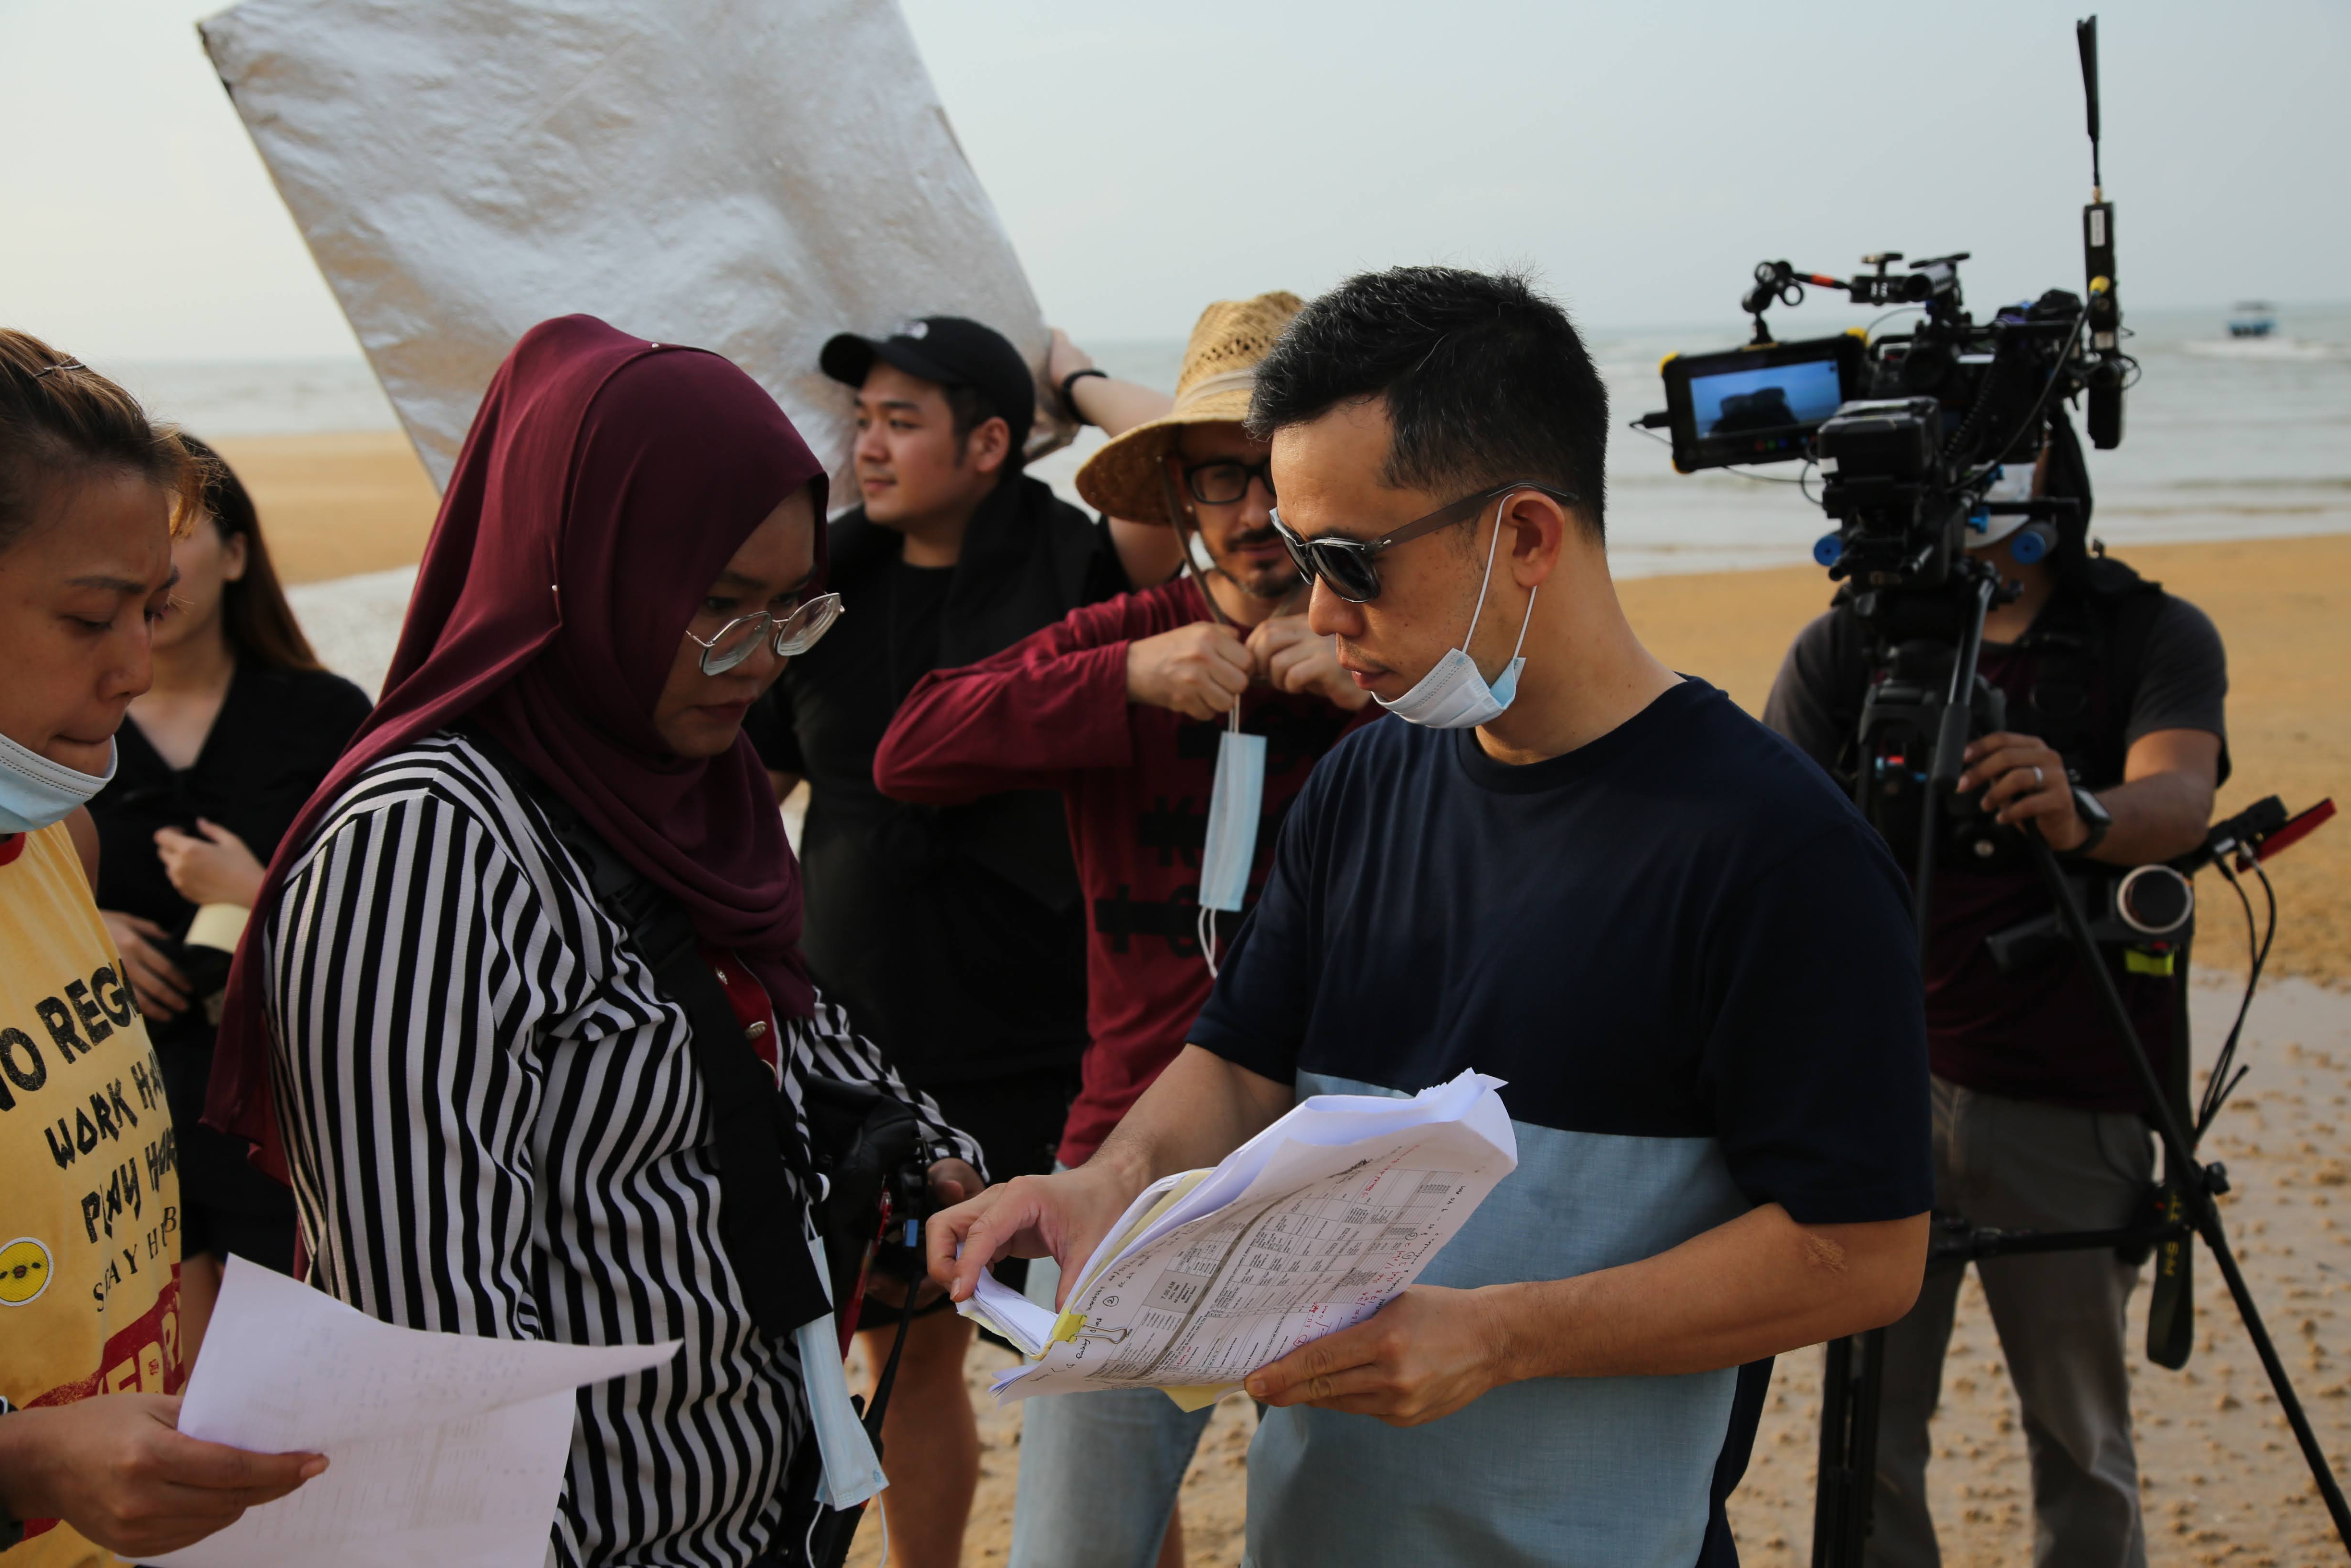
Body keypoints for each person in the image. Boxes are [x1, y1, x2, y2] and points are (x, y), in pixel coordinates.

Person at [931, 267, 1939, 1568]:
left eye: (1353, 562)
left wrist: (1502, 1336)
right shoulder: (1363, 783)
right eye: (1302, 559)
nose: (1320, 612)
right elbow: (1239, 1063)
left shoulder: (1776, 851)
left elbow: (1865, 1253)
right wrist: (1103, 1188)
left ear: (1526, 536)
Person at [203, 316, 985, 1568]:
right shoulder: (426, 849)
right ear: (572, 571)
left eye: (791, 609)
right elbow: (433, 1343)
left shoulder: (680, 783)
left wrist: (931, 1158)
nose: (760, 662)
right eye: (716, 606)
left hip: (757, 1516)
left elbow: (786, 1024)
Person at [875, 291, 1375, 1568]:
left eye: (1276, 475)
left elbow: (1542, 781)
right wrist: (1120, 680)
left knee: (1352, 1530)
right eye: (1220, 480)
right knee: (1077, 1540)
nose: (1252, 514)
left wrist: (1385, 697)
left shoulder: (1396, 658)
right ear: (1181, 500)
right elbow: (910, 746)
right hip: (1130, 1160)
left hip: (1356, 1166)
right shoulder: (1136, 635)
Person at [742, 315, 1178, 1568]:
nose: (867, 446)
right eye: (861, 420)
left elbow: (1170, 458)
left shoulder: (1076, 559)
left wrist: (1072, 382)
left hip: (1051, 1040)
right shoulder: (824, 582)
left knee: (1101, 1368)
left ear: (991, 442)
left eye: (901, 421)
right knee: (907, 1357)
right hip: (866, 1043)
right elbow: (752, 790)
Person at [1761, 422, 2229, 1568]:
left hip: (2071, 1092)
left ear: (2055, 471)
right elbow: (1763, 838)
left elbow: (2180, 798)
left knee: (2079, 1432)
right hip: (1882, 1091)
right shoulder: (1848, 644)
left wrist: (2083, 813)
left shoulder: (2148, 631)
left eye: (2006, 447)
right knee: (1869, 1431)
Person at [0, 331, 324, 1564]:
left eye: (151, 610)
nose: (136, 667)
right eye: (91, 617)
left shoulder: (59, 846)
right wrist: (26, 1462)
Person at [88, 436, 369, 1351]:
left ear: (238, 553)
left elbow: (399, 930)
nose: (154, 560)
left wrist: (257, 893)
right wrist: (86, 936)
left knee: (282, 1387)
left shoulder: (328, 717)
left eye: (177, 530)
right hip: (115, 1124)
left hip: (289, 1114)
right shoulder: (63, 723)